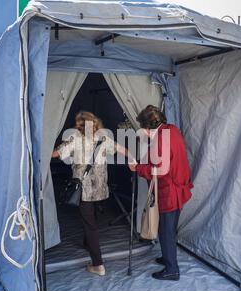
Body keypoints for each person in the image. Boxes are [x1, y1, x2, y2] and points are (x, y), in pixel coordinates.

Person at [52, 111, 131, 276]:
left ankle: (98, 264)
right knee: (91, 216)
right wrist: (133, 159)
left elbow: (57, 154)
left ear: (79, 124)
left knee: (90, 224)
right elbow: (120, 149)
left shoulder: (75, 138)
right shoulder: (103, 138)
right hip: (100, 188)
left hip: (84, 188)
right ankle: (87, 243)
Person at [129, 105, 193, 281]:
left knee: (166, 231)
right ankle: (167, 258)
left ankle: (172, 269)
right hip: (179, 186)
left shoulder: (160, 140)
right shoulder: (171, 130)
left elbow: (160, 170)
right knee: (168, 228)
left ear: (148, 126)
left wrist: (138, 168)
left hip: (169, 191)